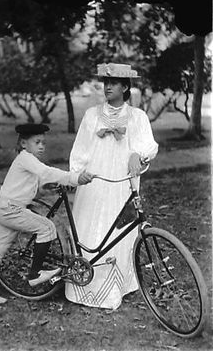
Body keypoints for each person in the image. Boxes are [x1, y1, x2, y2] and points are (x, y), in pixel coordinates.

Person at [65, 63, 159, 309]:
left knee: (119, 227)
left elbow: (148, 145)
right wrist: (77, 175)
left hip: (120, 182)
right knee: (90, 225)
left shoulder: (137, 117)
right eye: (106, 82)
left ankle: (118, 283)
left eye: (114, 83)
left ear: (125, 87)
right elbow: (81, 148)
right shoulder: (92, 115)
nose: (107, 87)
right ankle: (85, 279)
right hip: (95, 180)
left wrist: (136, 155)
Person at [0, 123, 94, 304]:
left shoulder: (29, 162)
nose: (41, 146)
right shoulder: (25, 159)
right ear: (23, 144)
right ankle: (34, 274)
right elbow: (46, 172)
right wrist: (75, 177)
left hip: (7, 209)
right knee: (47, 228)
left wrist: (57, 184)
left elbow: (39, 182)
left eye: (43, 143)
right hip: (11, 210)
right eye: (37, 142)